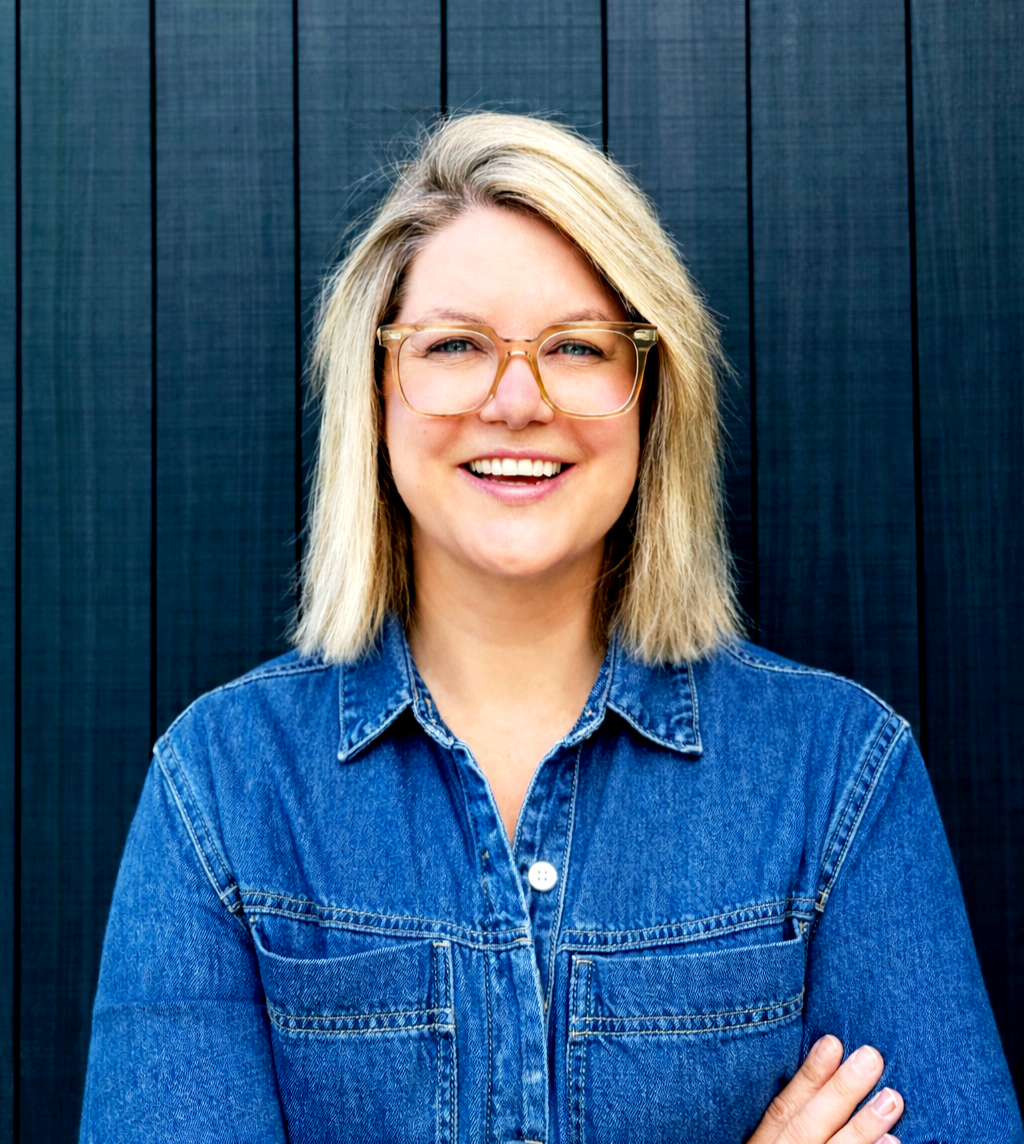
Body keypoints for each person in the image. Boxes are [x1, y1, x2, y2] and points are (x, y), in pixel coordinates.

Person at [79, 114, 1020, 1143]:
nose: (517, 400)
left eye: (577, 346)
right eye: (453, 345)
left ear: (652, 395)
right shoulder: (220, 787)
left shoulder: (838, 774)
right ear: (376, 392)